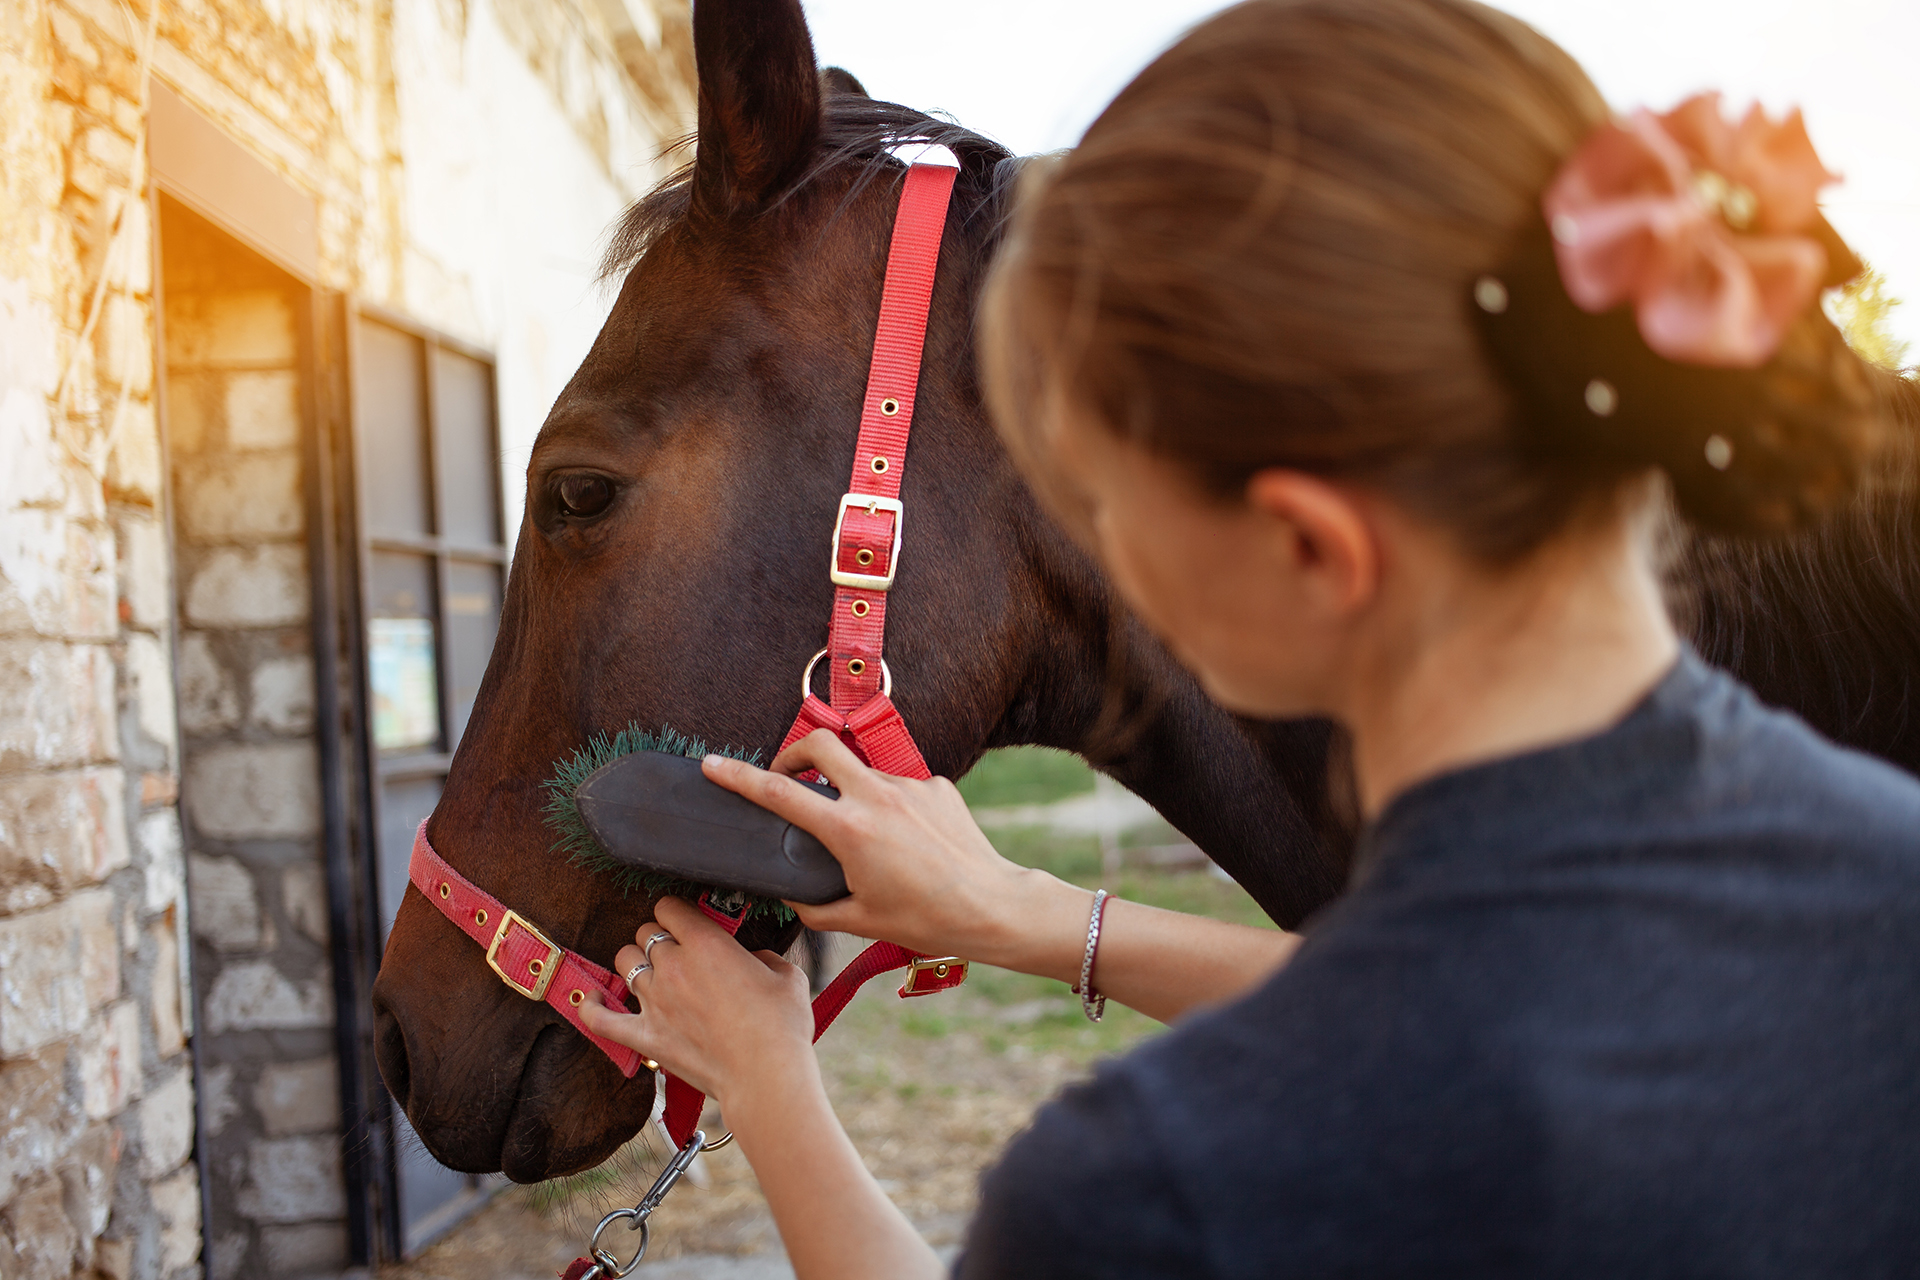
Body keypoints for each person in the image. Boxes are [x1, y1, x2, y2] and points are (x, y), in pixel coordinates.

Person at [580, 0, 1920, 1274]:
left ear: (1305, 549)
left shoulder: (1166, 1185)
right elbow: (1521, 1001)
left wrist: (772, 1091)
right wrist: (1030, 918)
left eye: (1098, 497)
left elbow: (1445, 1027)